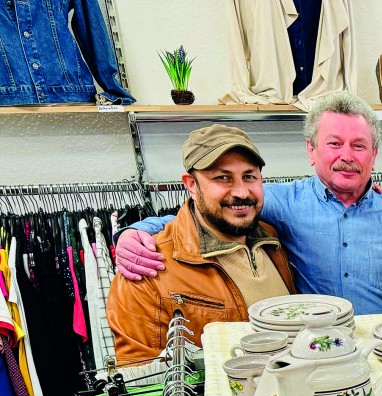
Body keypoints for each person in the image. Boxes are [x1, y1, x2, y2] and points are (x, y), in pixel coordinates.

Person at [113, 91, 382, 315]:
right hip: (313, 358)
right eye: (334, 144)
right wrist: (131, 233)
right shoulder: (282, 202)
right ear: (311, 151)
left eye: (359, 146)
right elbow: (203, 215)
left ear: (374, 155)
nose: (346, 156)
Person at [107, 125, 295, 362]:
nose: (241, 192)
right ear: (191, 185)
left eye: (249, 176)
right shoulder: (147, 269)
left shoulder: (273, 240)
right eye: (222, 178)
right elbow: (140, 380)